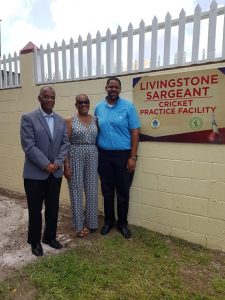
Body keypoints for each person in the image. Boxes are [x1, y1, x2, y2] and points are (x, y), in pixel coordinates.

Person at [20, 86, 69, 257]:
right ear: (39, 98)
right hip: (35, 174)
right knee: (35, 209)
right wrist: (45, 164)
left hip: (55, 173)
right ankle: (34, 242)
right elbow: (29, 145)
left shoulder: (61, 120)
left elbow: (65, 144)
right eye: (46, 97)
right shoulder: (28, 118)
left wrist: (56, 163)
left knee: (53, 207)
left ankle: (49, 237)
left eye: (52, 97)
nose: (49, 100)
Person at [94, 76, 140, 239]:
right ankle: (109, 221)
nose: (113, 89)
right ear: (106, 88)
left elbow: (135, 131)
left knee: (123, 192)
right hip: (104, 155)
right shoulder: (99, 108)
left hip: (123, 155)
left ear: (120, 89)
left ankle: (122, 223)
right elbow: (95, 130)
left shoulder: (128, 107)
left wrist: (132, 157)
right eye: (110, 86)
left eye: (116, 87)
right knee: (107, 191)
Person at [64, 93, 98, 237]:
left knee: (92, 189)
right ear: (76, 104)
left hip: (92, 155)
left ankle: (91, 223)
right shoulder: (70, 120)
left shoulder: (95, 120)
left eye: (86, 101)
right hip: (75, 155)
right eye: (80, 102)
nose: (84, 104)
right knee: (76, 190)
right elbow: (65, 144)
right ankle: (79, 226)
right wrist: (66, 164)